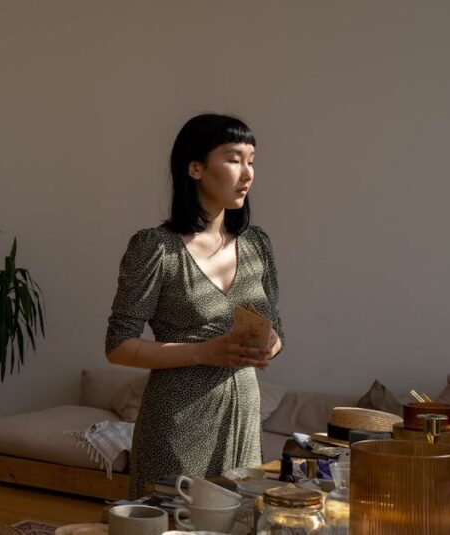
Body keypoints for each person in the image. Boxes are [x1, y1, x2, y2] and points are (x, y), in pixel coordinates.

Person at [105, 113, 285, 497]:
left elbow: (278, 329)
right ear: (196, 167)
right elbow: (118, 346)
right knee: (173, 523)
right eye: (234, 159)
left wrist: (270, 344)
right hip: (177, 421)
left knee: (238, 520)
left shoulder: (258, 245)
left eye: (252, 160)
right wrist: (204, 352)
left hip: (242, 416)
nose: (247, 173)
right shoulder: (155, 248)